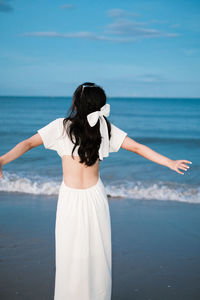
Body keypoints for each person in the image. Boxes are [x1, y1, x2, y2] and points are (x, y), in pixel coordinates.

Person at [0, 82, 192, 300]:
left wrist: (2, 160)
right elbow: (138, 148)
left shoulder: (62, 126)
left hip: (71, 197)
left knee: (71, 253)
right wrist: (169, 162)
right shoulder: (106, 128)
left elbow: (27, 144)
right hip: (94, 196)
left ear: (76, 103)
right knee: (96, 253)